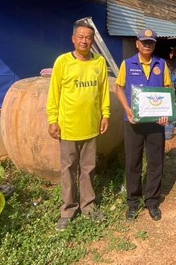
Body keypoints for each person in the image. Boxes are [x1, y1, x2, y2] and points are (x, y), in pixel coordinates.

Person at [46, 19, 110, 231]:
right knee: (68, 169)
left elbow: (103, 91)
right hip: (68, 127)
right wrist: (52, 120)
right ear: (73, 39)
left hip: (91, 126)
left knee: (89, 168)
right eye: (81, 37)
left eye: (88, 38)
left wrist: (105, 115)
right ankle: (67, 210)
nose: (84, 41)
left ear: (93, 41)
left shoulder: (99, 62)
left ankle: (88, 207)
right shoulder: (63, 61)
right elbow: (54, 93)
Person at [115, 28, 172, 221]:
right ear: (137, 44)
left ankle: (152, 201)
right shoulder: (127, 64)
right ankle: (133, 202)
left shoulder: (161, 64)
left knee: (156, 162)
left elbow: (168, 89)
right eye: (144, 42)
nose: (147, 45)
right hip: (134, 122)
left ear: (154, 45)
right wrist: (127, 109)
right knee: (133, 162)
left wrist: (165, 113)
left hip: (156, 123)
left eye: (151, 42)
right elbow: (119, 88)